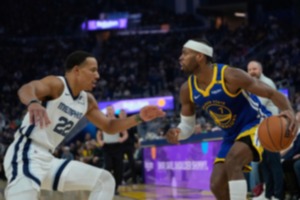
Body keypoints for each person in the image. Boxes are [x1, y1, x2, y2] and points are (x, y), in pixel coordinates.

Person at [3, 50, 165, 200]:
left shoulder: (87, 100)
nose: (98, 75)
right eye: (93, 70)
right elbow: (27, 88)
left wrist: (138, 118)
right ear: (76, 70)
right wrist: (33, 102)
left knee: (104, 180)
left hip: (48, 159)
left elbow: (109, 126)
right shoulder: (57, 85)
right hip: (25, 154)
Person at [165, 39, 297, 200]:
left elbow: (270, 93)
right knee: (216, 184)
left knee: (233, 161)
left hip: (256, 123)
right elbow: (187, 125)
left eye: (185, 53)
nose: (180, 57)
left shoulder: (229, 75)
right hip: (231, 134)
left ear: (200, 56)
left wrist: (288, 110)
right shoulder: (187, 89)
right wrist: (179, 132)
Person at [247, 60, 284, 200]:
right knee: (265, 165)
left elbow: (255, 106)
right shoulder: (252, 86)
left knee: (274, 165)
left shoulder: (266, 83)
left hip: (272, 129)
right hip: (262, 130)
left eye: (254, 69)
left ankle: (278, 195)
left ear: (261, 70)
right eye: (249, 69)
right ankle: (268, 195)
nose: (252, 72)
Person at [96, 106, 128, 195]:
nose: (110, 112)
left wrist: (122, 139)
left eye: (111, 110)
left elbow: (125, 133)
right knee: (108, 166)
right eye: (108, 110)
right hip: (107, 147)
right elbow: (98, 134)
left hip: (117, 147)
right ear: (106, 111)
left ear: (114, 111)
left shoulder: (118, 121)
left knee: (118, 168)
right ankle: (105, 186)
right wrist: (100, 141)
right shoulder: (103, 121)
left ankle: (115, 187)